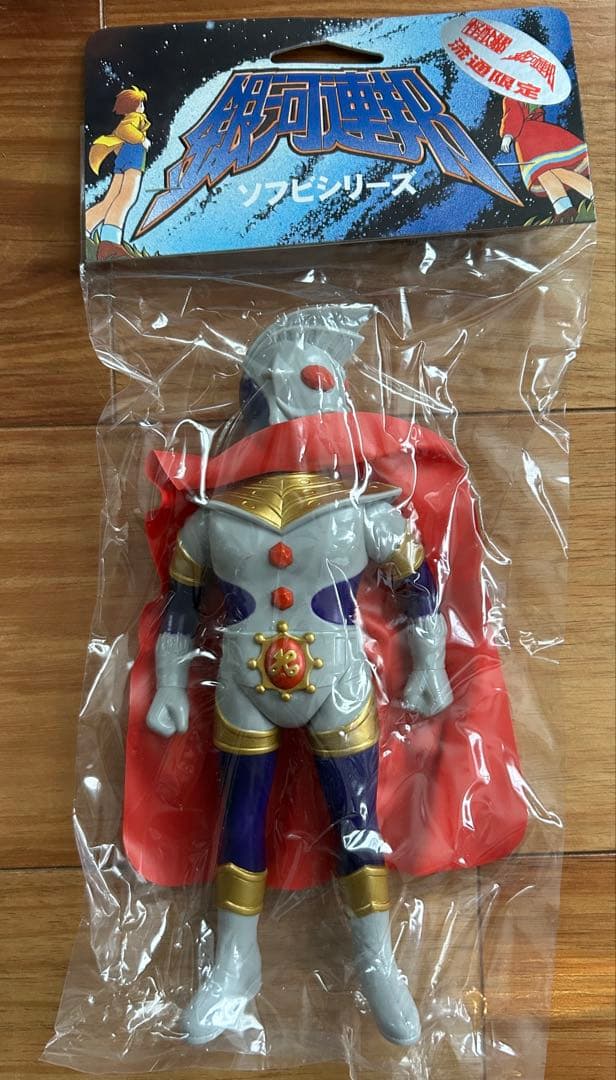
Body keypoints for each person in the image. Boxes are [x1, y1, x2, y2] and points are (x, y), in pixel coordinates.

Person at [500, 96, 593, 222]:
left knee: (548, 172)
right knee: (547, 173)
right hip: (532, 140)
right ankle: (565, 208)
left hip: (533, 140)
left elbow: (513, 115)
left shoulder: (515, 98)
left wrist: (508, 135)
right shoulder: (517, 98)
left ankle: (574, 202)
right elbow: (515, 115)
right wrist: (509, 134)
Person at [86, 86, 151, 259]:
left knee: (111, 199)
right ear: (135, 106)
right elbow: (124, 131)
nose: (142, 107)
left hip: (123, 158)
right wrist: (142, 139)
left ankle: (85, 227)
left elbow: (118, 135)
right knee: (126, 197)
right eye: (140, 104)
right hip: (133, 158)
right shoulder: (135, 118)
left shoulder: (127, 119)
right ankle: (110, 242)